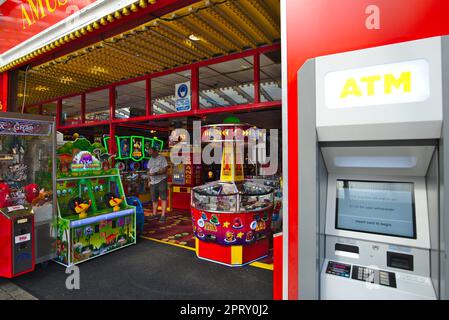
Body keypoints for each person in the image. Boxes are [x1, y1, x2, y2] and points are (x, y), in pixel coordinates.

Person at [147, 146, 168, 222]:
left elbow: (165, 169)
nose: (151, 155)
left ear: (156, 151)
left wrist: (156, 173)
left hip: (161, 180)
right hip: (152, 182)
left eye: (152, 153)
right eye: (150, 154)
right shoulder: (150, 160)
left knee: (163, 198)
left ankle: (163, 215)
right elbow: (148, 171)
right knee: (154, 199)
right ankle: (154, 213)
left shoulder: (162, 158)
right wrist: (148, 181)